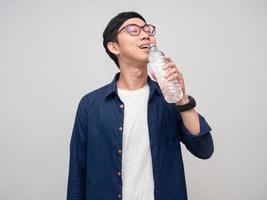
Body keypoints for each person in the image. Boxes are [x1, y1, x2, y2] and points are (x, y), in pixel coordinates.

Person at [67, 11, 214, 200]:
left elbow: (204, 148)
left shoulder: (168, 100)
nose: (146, 34)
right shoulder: (91, 105)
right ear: (113, 46)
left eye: (147, 29)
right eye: (133, 30)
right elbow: (77, 172)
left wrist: (182, 97)